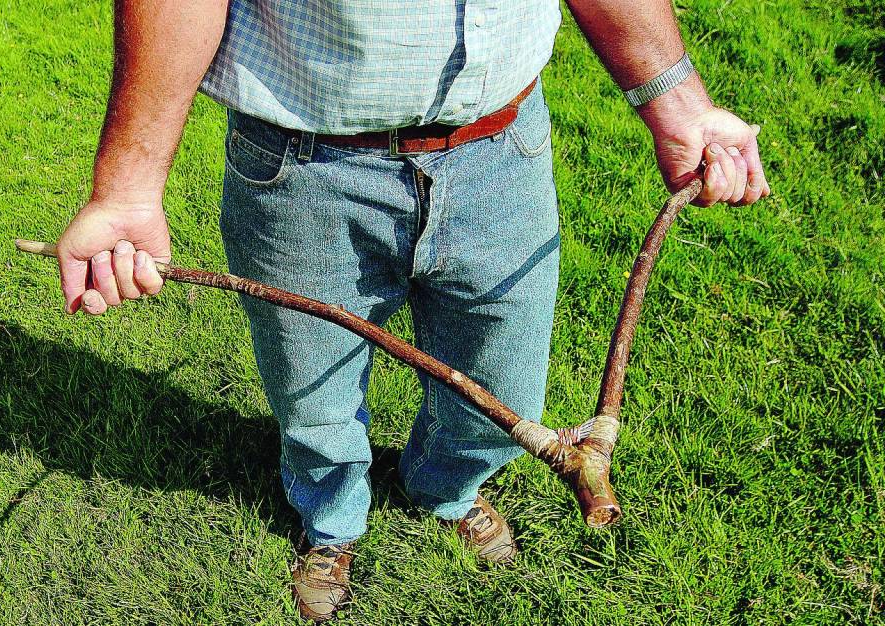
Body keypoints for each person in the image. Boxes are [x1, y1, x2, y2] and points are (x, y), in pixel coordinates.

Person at [54, 0, 769, 621]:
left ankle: (447, 488)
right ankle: (331, 520)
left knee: (506, 381)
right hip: (304, 165)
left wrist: (677, 104)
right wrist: (127, 188)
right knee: (314, 394)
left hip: (504, 148)